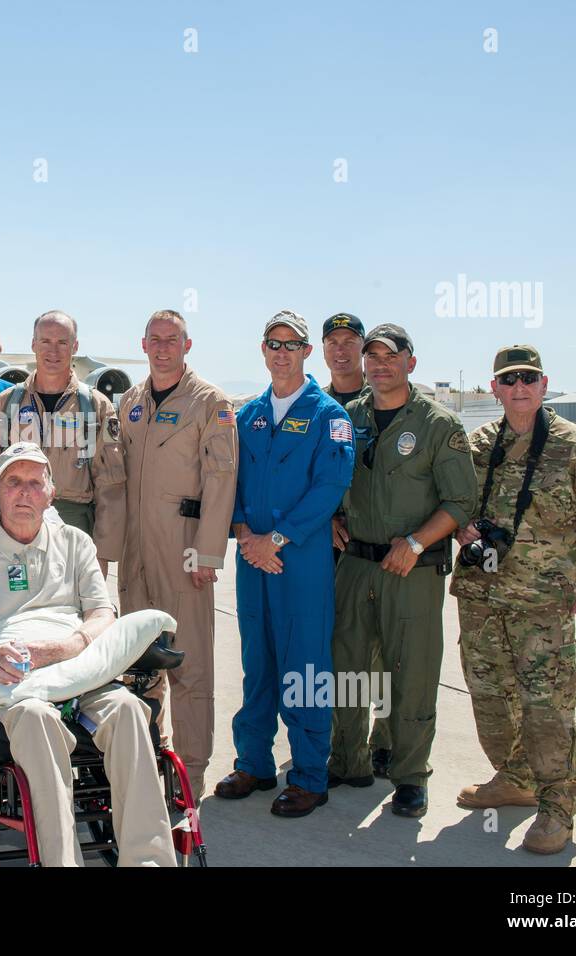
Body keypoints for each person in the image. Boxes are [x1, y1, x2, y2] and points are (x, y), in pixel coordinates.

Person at [0, 442, 176, 867]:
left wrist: (71, 645)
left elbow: (101, 613)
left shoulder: (75, 542)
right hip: (12, 684)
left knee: (129, 709)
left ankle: (148, 861)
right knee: (37, 719)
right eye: (14, 483)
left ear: (51, 494)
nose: (25, 493)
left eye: (35, 484)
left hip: (78, 668)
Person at [451, 345, 576, 854]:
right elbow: (445, 502)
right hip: (481, 598)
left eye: (528, 378)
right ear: (494, 388)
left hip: (543, 606)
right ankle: (514, 777)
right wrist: (458, 526)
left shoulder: (574, 446)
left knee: (547, 706)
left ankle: (557, 807)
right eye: (508, 380)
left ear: (544, 383)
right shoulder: (477, 444)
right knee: (489, 696)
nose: (519, 388)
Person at [328, 323, 478, 818]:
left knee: (408, 673)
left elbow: (461, 500)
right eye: (371, 356)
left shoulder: (439, 425)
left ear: (410, 362)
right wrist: (331, 516)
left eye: (389, 356)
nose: (379, 364)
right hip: (355, 565)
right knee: (348, 666)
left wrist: (416, 542)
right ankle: (349, 761)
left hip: (411, 570)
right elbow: (328, 478)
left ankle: (410, 776)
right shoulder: (348, 418)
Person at [222, 311, 356, 816]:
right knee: (258, 662)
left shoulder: (328, 417)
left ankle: (308, 776)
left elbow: (329, 488)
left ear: (306, 352)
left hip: (299, 561)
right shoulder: (248, 414)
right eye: (273, 344)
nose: (282, 352)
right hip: (253, 559)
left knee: (304, 667)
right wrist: (242, 533)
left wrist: (275, 539)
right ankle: (254, 763)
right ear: (263, 350)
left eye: (292, 344)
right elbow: (228, 481)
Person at [117, 309, 237, 800]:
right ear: (143, 345)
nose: (163, 347)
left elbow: (222, 478)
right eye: (155, 340)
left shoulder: (211, 403)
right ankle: (150, 756)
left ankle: (191, 771)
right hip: (135, 549)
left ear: (188, 346)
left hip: (183, 545)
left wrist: (207, 553)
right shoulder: (130, 402)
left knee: (189, 662)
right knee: (140, 660)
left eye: (173, 340)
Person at [0, 310, 125, 572]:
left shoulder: (96, 407)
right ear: (33, 344)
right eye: (46, 341)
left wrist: (103, 551)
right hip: (15, 525)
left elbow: (111, 485)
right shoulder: (5, 404)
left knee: (70, 609)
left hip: (75, 526)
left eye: (62, 342)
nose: (53, 351)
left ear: (75, 347)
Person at [321, 311, 391, 777]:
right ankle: (341, 742)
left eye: (351, 342)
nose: (342, 350)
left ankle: (383, 742)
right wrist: (323, 517)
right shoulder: (316, 405)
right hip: (328, 547)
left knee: (383, 651)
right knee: (338, 648)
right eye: (334, 342)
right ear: (323, 350)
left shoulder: (387, 401)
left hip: (379, 545)